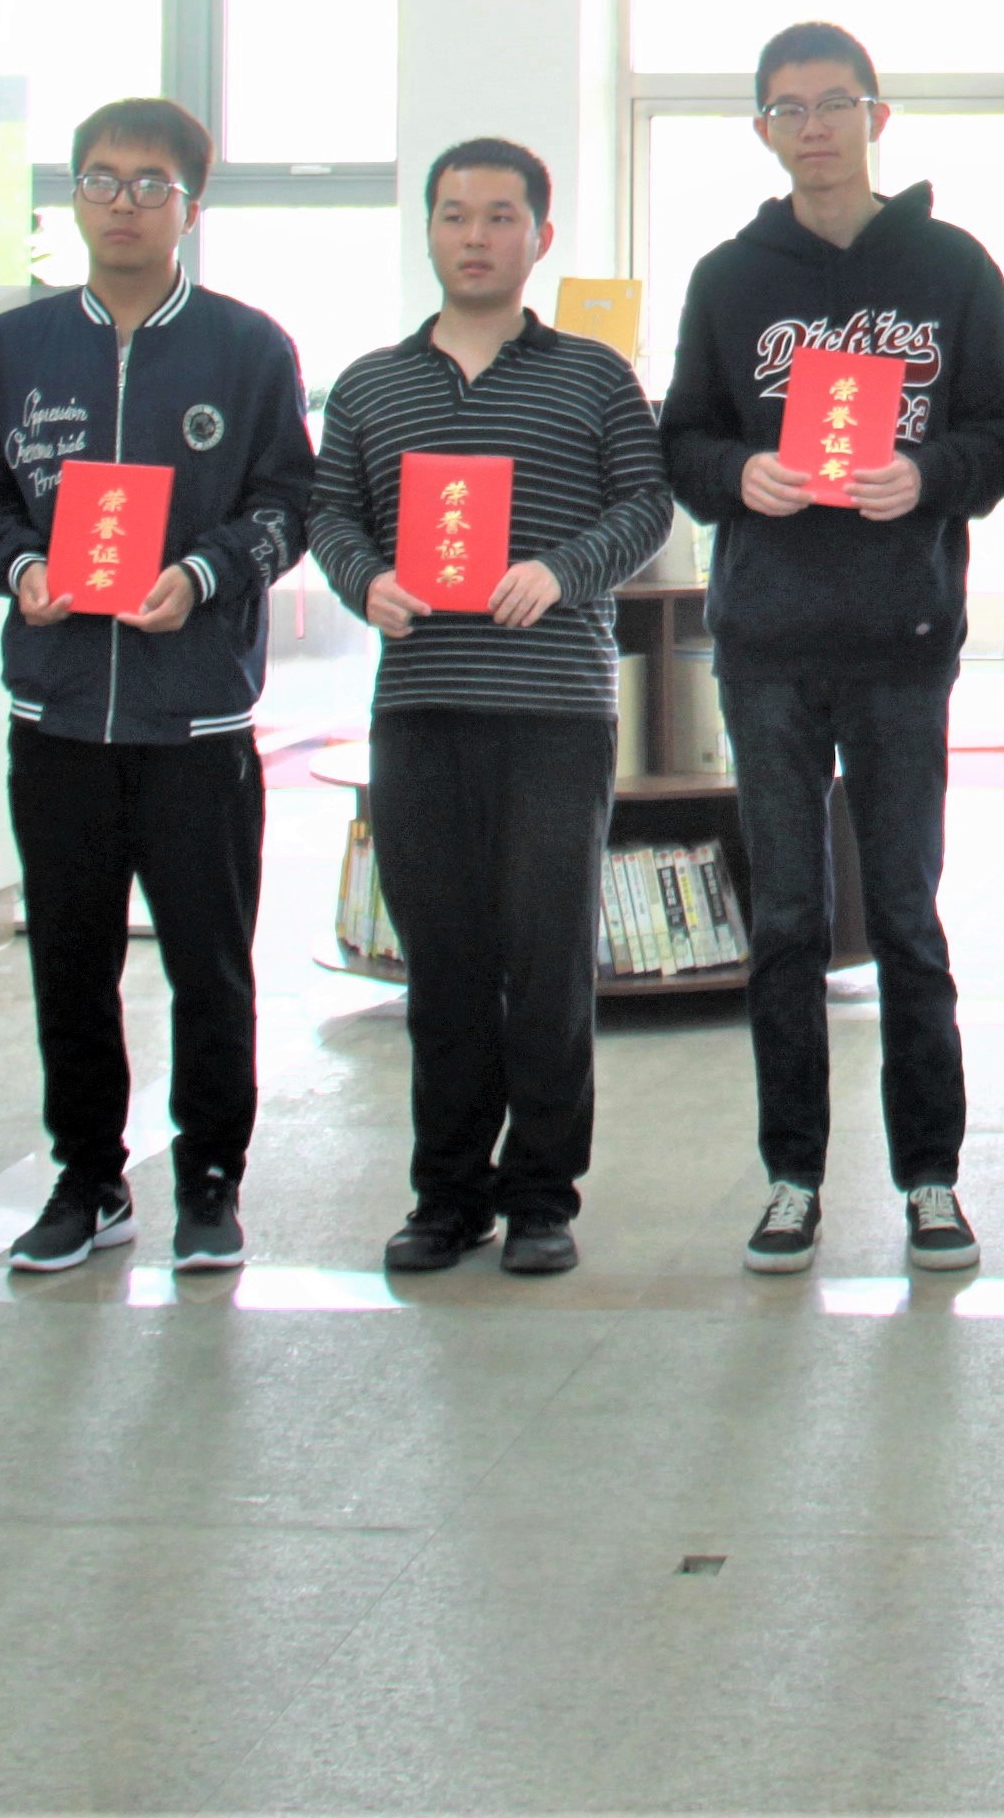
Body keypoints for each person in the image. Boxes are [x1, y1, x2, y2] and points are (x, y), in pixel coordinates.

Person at [655, 21, 1004, 1280]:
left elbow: (1002, 432)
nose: (813, 127)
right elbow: (682, 440)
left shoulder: (952, 266)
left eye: (835, 103)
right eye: (789, 108)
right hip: (766, 642)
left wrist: (925, 475)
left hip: (902, 639)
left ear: (879, 114)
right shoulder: (728, 278)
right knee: (787, 920)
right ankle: (792, 1177)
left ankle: (931, 1176)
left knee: (908, 915)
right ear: (763, 129)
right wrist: (738, 475)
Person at [0, 98, 317, 1277]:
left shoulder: (248, 347)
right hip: (57, 713)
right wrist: (20, 566)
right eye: (101, 181)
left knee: (209, 963)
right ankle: (87, 1181)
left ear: (191, 207)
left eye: (151, 185)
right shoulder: (14, 348)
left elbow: (289, 504)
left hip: (196, 716)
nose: (123, 204)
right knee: (70, 960)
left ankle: (209, 1180)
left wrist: (202, 575)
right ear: (74, 197)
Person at [309, 141, 672, 1278]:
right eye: (456, 215)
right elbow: (329, 513)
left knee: (548, 958)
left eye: (501, 216)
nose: (476, 236)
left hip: (555, 708)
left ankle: (544, 1196)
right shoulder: (370, 385)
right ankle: (447, 1195)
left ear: (540, 237)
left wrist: (564, 571)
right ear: (428, 230)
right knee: (446, 962)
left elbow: (647, 504)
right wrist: (365, 578)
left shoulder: (595, 377)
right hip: (421, 704)